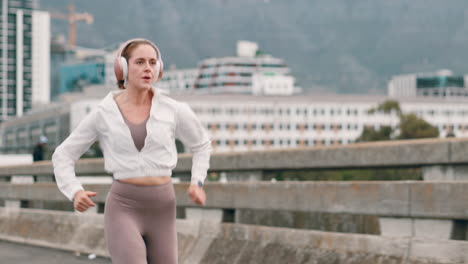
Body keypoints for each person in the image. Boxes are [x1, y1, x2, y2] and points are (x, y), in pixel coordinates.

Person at [52, 38, 211, 264]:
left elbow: (202, 145)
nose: (148, 68)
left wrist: (198, 182)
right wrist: (75, 191)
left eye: (153, 62)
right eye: (140, 62)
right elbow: (63, 155)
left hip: (164, 208)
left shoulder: (174, 109)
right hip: (124, 208)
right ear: (123, 68)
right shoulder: (103, 113)